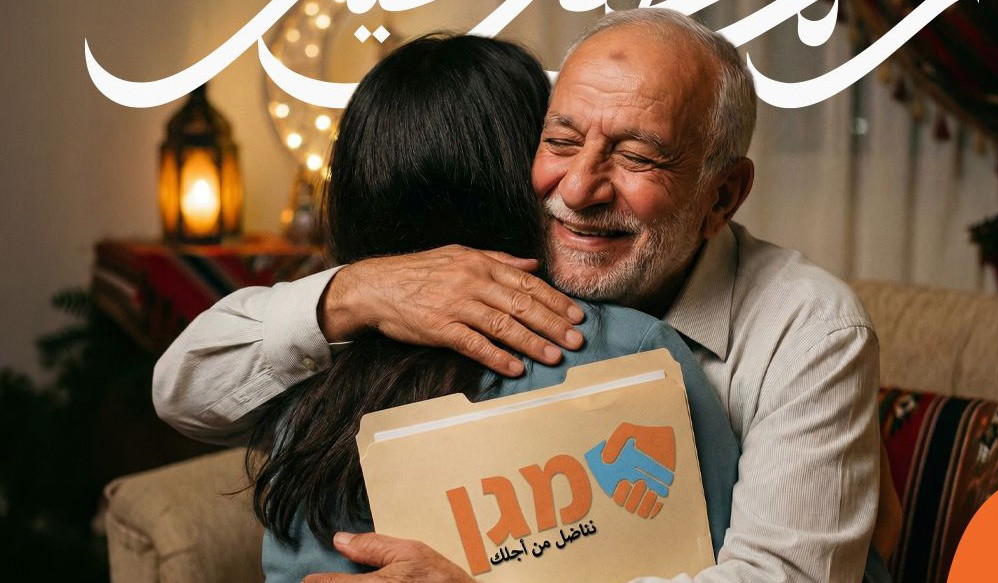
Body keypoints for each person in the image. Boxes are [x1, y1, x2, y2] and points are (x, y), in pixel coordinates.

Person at [155, 9, 893, 583]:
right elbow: (183, 391)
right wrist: (358, 291)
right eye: (561, 141)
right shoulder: (420, 307)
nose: (579, 189)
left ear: (722, 195)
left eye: (637, 156)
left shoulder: (809, 330)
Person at [238, 33, 739, 582]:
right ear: (521, 171)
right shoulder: (638, 352)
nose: (577, 185)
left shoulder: (306, 396)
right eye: (562, 141)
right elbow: (720, 558)